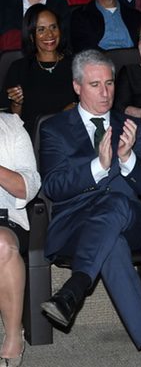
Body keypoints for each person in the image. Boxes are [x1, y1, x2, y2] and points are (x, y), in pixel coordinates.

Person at [38, 50, 141, 367]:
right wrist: (98, 167)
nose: (105, 93)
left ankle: (75, 288)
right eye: (95, 84)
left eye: (109, 83)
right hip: (76, 224)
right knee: (110, 244)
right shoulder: (54, 128)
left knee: (116, 202)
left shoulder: (131, 126)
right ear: (77, 86)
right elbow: (53, 187)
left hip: (129, 219)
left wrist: (127, 159)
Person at [0, 112, 41, 367]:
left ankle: (14, 337)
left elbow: (28, 187)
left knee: (1, 244)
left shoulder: (11, 127)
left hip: (5, 218)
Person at [3, 5, 76, 135]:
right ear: (31, 36)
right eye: (41, 30)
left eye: (53, 27)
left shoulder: (76, 64)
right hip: (33, 140)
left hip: (72, 134)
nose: (50, 34)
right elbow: (12, 124)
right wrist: (16, 104)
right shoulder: (19, 68)